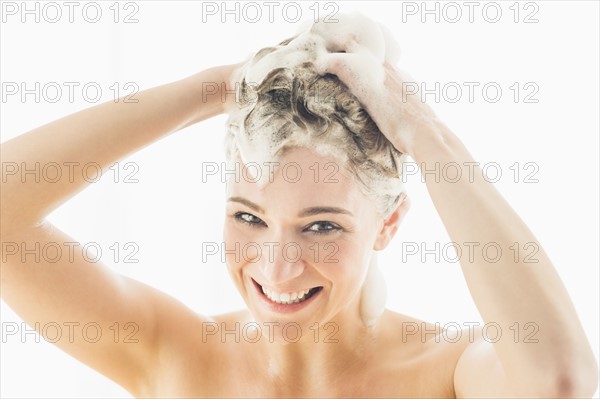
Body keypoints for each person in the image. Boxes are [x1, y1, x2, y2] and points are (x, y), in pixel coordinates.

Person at [1, 15, 598, 398]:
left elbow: (562, 383)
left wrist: (427, 136)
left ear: (388, 222)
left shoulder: (445, 372)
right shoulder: (178, 360)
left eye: (320, 226)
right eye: (249, 217)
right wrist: (220, 87)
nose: (276, 268)